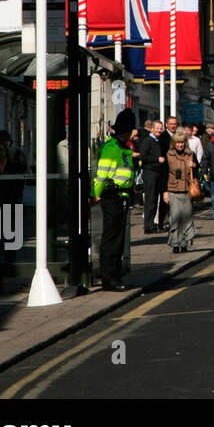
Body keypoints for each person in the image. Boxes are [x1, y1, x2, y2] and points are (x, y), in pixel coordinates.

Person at [91, 109, 138, 291]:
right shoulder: (112, 148)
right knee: (112, 239)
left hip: (122, 196)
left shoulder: (123, 147)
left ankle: (116, 276)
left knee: (118, 239)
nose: (134, 133)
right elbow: (102, 175)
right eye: (132, 129)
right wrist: (95, 194)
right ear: (126, 130)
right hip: (112, 197)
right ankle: (109, 279)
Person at [163, 130, 197, 253]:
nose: (180, 145)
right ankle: (175, 243)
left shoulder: (190, 154)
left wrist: (194, 165)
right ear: (174, 143)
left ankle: (185, 244)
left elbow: (198, 171)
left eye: (182, 143)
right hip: (173, 189)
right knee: (175, 217)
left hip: (187, 189)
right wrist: (164, 192)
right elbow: (164, 174)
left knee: (186, 217)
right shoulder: (168, 155)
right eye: (178, 143)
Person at [138, 120, 167, 233]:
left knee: (155, 199)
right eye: (157, 128)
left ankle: (152, 224)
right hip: (150, 173)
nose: (159, 130)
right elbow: (143, 156)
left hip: (158, 173)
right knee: (150, 200)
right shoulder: (147, 141)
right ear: (152, 129)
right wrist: (156, 159)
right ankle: (148, 226)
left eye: (161, 128)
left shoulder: (159, 142)